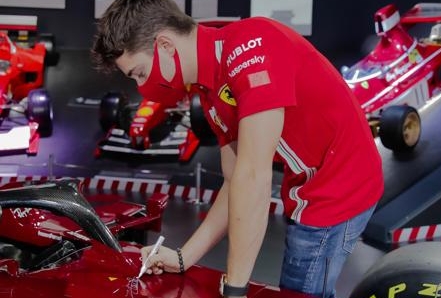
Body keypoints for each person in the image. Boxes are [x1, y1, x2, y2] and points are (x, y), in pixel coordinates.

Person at [91, 0, 384, 297]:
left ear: (165, 45)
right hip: (307, 181)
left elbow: (254, 177)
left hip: (339, 184)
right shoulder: (208, 86)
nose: (142, 86)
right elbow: (235, 182)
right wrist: (183, 257)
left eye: (140, 72)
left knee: (300, 291)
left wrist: (235, 289)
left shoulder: (251, 48)